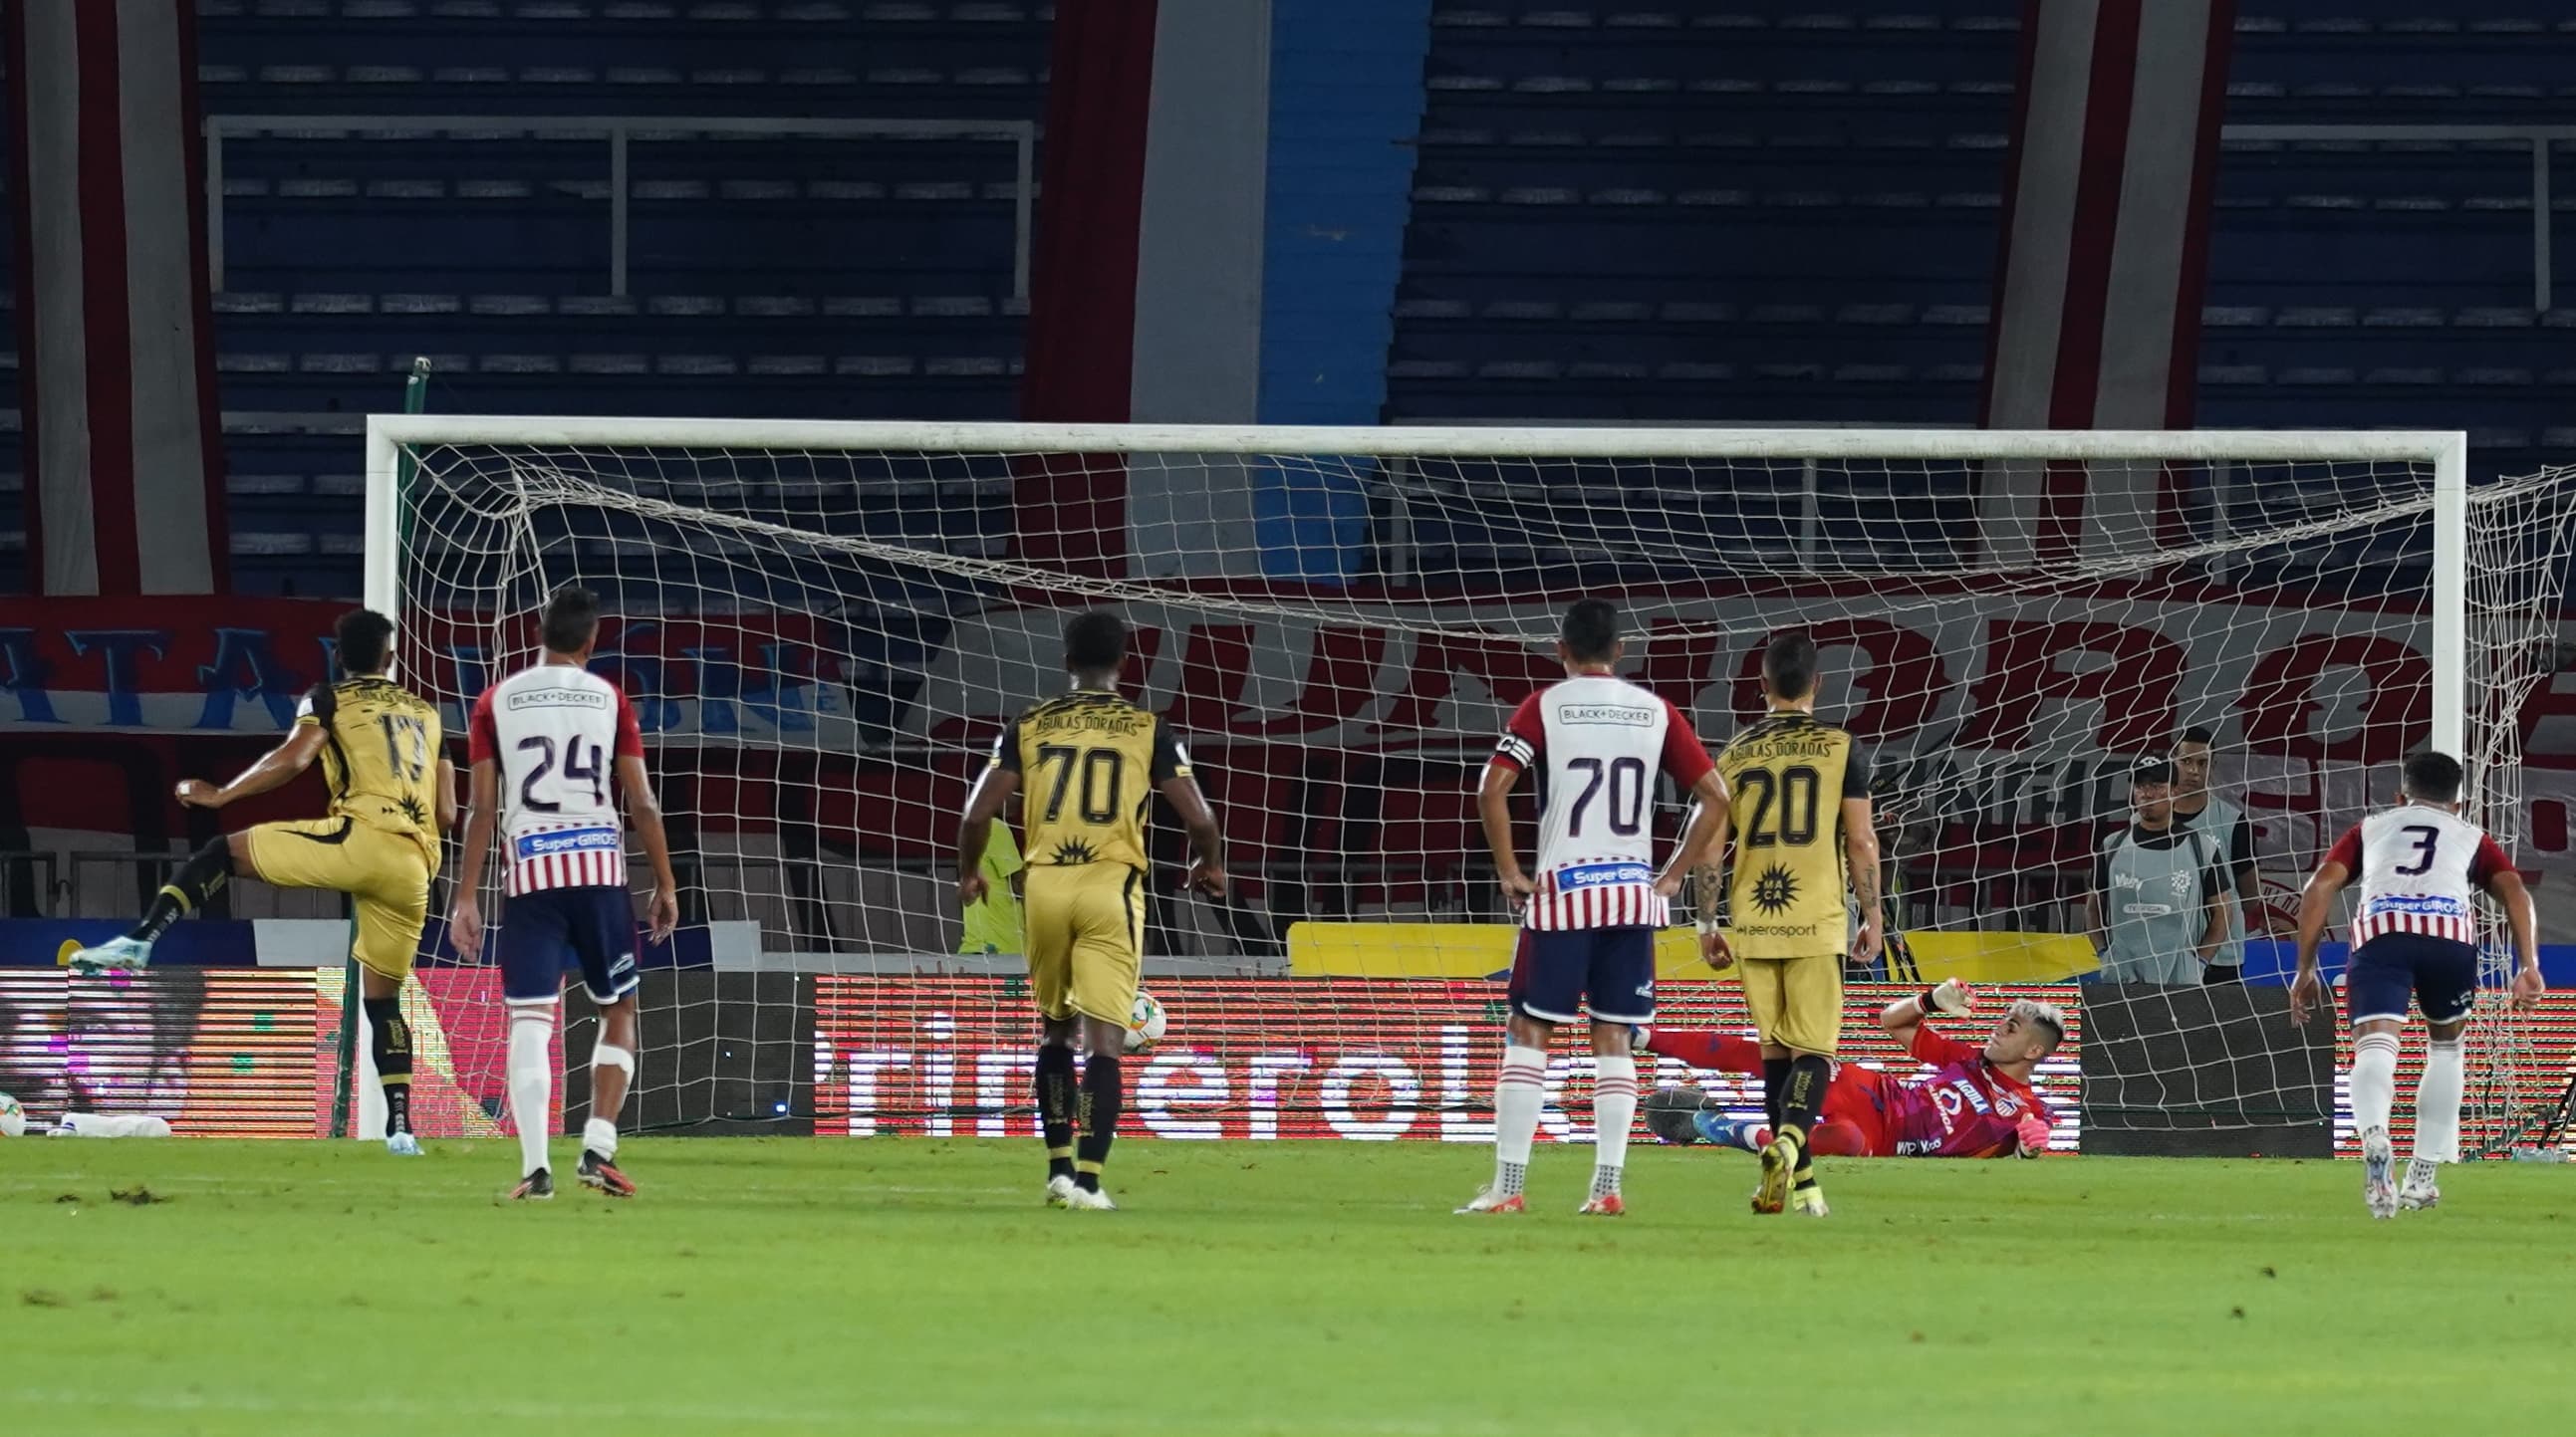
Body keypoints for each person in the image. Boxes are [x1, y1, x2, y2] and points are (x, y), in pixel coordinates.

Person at [64, 607, 454, 1155]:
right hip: (416, 866)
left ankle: (140, 941)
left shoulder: (327, 696)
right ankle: (401, 1128)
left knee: (222, 851)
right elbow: (449, 812)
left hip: (360, 838)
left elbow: (296, 757)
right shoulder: (428, 714)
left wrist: (222, 795)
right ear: (390, 659)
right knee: (384, 1004)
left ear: (340, 657)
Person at [1460, 599, 1729, 1217]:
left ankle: (1507, 1187)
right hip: (1633, 897)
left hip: (1563, 894)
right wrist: (1671, 877)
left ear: (1562, 650)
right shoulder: (1656, 711)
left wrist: (1509, 871)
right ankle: (1606, 1187)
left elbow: (1491, 788)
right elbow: (1714, 797)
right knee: (1614, 1037)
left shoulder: (1545, 706)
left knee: (1529, 1030)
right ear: (1621, 650)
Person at [954, 609, 1226, 1212]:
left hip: (1046, 886)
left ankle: (1055, 1169)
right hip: (1110, 887)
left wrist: (970, 872)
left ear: (1067, 662)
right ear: (1124, 664)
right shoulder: (1147, 727)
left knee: (1054, 1030)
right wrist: (1210, 864)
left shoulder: (1028, 724)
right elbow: (1200, 817)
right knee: (1104, 1039)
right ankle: (1090, 1180)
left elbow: (976, 815)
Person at [448, 586, 679, 1201]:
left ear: (538, 634)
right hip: (600, 874)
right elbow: (643, 801)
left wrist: (465, 896)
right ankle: (598, 1146)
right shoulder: (610, 698)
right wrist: (665, 881)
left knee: (529, 1019)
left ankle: (534, 1168)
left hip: (530, 876)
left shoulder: (496, 699)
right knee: (619, 1009)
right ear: (591, 640)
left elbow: (481, 808)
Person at [2289, 750, 2543, 1218]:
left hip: (2382, 937)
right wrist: (2528, 963)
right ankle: (2422, 1176)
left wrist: (2305, 968)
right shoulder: (2472, 836)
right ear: (2459, 803)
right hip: (2449, 942)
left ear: (2400, 795)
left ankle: (2373, 1135)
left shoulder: (2370, 828)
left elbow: (2318, 888)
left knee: (2374, 1046)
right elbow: (2515, 891)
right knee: (2446, 1049)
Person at [1700, 631, 1879, 1217]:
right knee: (1815, 1054)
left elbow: (1709, 849)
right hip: (1816, 917)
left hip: (1751, 918)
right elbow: (1860, 840)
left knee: (1775, 1053)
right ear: (1818, 684)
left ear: (1762, 685)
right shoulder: (1841, 748)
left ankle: (1801, 1186)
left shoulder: (1732, 754)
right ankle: (1790, 1141)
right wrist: (1873, 914)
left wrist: (1706, 922)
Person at [1640, 980, 2062, 1159]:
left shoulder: (2029, 1111)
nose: (1998, 1030)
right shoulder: (1967, 1060)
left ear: (2035, 1050)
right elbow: (1891, 1021)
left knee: (1840, 1140)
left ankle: (1714, 1128)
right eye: (2002, 1021)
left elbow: (2020, 1153)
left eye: (2012, 1028)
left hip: (1887, 1141)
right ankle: (1644, 1037)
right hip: (1874, 1092)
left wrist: (2029, 1148)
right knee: (1777, 1056)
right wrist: (1930, 1000)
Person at [2089, 756, 2231, 985]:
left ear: (2174, 791)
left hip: (2180, 981)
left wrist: (2199, 963)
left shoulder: (2201, 848)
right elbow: (2093, 908)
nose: (2147, 793)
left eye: (2156, 786)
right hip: (2121, 982)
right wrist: (2105, 954)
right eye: (2140, 786)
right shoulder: (2112, 846)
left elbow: (2223, 913)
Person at [2171, 727, 2265, 984]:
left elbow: (2251, 898)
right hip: (2164, 954)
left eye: (2202, 763)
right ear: (2172, 762)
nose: (2193, 771)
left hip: (2221, 958)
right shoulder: (2148, 821)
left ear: (2213, 766)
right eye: (2186, 761)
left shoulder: (2232, 821)